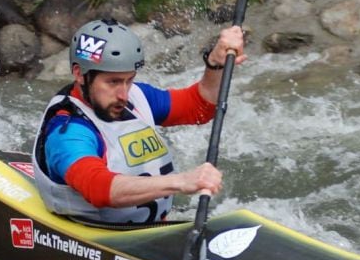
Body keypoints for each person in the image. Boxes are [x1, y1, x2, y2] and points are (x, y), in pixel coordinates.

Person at [32, 18, 246, 224]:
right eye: (113, 82)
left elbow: (199, 106)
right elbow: (100, 188)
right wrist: (182, 181)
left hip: (153, 229)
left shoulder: (136, 97)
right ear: (80, 74)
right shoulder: (67, 131)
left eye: (129, 80)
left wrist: (216, 64)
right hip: (100, 238)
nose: (124, 94)